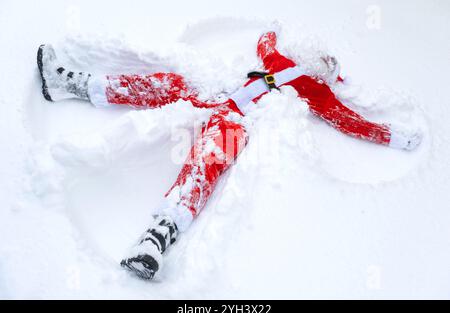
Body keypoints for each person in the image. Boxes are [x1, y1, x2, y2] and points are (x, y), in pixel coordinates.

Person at [37, 31, 422, 280]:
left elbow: (347, 119)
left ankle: (158, 236)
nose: (322, 58)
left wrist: (391, 135)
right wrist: (272, 34)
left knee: (208, 160)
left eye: (328, 61)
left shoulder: (318, 90)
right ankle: (77, 84)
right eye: (322, 54)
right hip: (213, 93)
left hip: (239, 120)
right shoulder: (279, 63)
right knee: (162, 84)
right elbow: (265, 43)